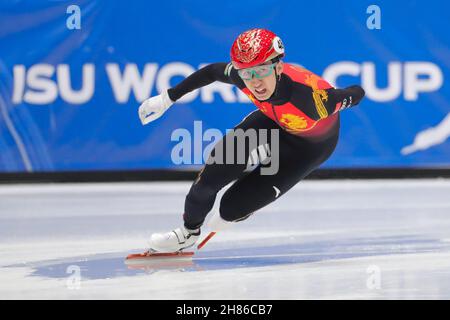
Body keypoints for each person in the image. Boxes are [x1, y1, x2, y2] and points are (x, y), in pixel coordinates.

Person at [138, 28, 365, 252]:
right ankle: (187, 234)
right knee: (209, 178)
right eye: (246, 73)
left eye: (261, 71)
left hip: (307, 150)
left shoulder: (313, 102)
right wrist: (167, 98)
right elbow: (211, 72)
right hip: (271, 123)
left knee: (229, 209)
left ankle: (243, 204)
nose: (254, 83)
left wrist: (337, 95)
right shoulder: (244, 76)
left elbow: (357, 92)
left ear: (278, 67)